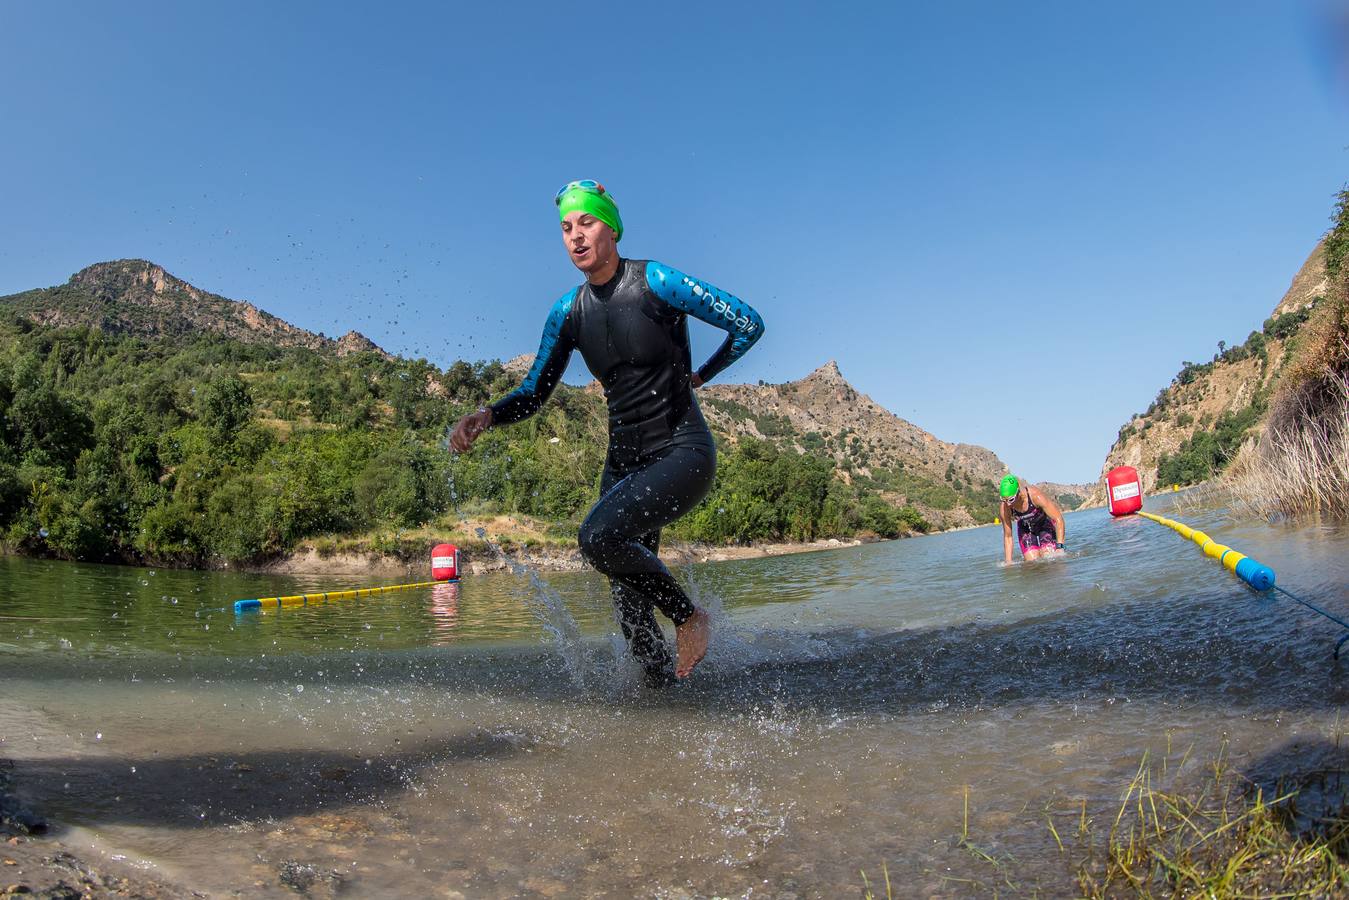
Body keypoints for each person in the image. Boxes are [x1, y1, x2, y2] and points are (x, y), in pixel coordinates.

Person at [449, 180, 765, 683]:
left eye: (587, 222)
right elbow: (534, 392)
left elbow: (748, 324)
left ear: (612, 228)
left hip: (681, 452)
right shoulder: (567, 313)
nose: (575, 236)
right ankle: (666, 709)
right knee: (632, 611)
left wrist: (701, 375)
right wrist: (488, 414)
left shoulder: (657, 281)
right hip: (623, 466)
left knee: (597, 537)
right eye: (566, 228)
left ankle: (690, 617)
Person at [999, 475, 1066, 563]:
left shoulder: (1035, 496)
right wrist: (1008, 561)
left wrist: (1060, 546)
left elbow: (1058, 519)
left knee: (1049, 557)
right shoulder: (1005, 508)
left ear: (1018, 492)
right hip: (1026, 529)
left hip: (1044, 525)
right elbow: (1008, 536)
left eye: (1011, 499)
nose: (1008, 504)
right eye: (1004, 500)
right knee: (1032, 562)